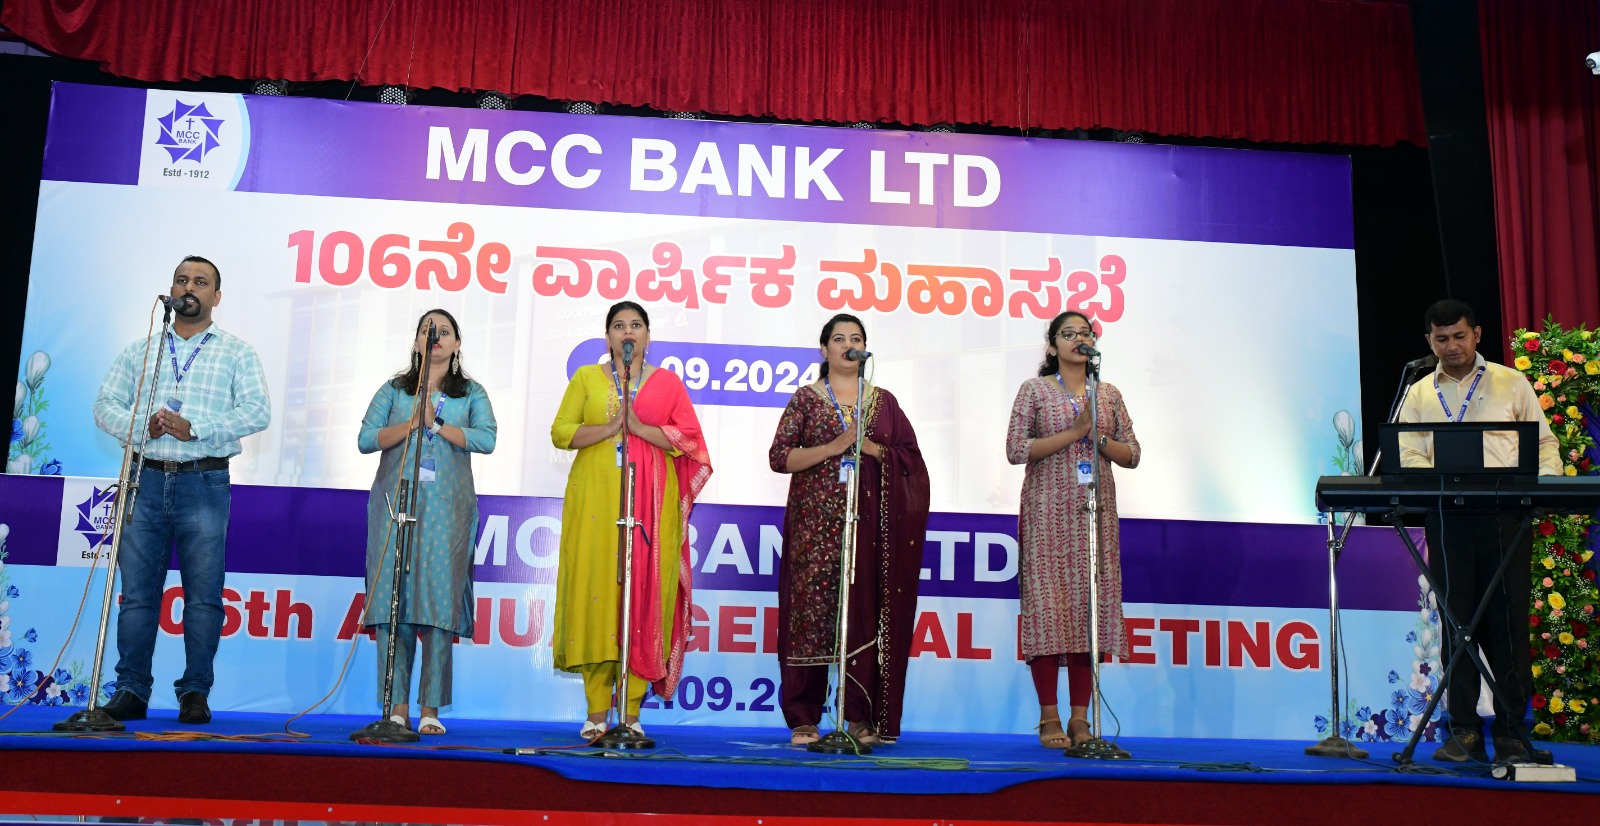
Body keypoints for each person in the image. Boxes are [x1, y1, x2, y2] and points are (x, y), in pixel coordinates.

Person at [91, 255, 271, 724]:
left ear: (216, 296)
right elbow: (105, 404)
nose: (188, 287)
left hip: (204, 482)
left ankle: (195, 692)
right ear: (171, 290)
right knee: (137, 596)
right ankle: (131, 690)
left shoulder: (237, 352)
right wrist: (141, 427)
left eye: (200, 282)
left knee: (204, 597)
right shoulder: (143, 350)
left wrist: (198, 429)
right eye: (181, 280)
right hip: (144, 479)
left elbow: (257, 411)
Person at [1398, 299, 1559, 764]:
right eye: (1441, 339)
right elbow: (1408, 452)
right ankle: (1464, 730)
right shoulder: (1419, 393)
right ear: (1429, 341)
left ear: (1477, 335)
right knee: (1457, 624)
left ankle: (1510, 732)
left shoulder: (1511, 382)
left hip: (1505, 516)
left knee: (1508, 624)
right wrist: (1436, 481)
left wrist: (1545, 488)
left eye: (1460, 336)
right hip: (1448, 517)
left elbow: (1543, 443)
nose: (1452, 346)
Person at [768, 313, 931, 746]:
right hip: (814, 528)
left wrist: (873, 449)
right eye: (838, 339)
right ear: (824, 350)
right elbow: (780, 457)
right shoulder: (806, 399)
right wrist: (835, 446)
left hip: (869, 530)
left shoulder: (884, 402)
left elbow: (911, 461)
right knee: (810, 619)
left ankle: (859, 716)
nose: (847, 345)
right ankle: (804, 718)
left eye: (855, 338)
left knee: (863, 615)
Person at [551, 301, 711, 739]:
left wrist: (639, 429)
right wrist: (609, 428)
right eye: (619, 325)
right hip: (595, 500)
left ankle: (631, 712)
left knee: (643, 596)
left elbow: (690, 441)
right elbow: (561, 432)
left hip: (650, 502)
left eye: (636, 325)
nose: (628, 332)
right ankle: (596, 712)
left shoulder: (668, 383)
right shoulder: (586, 378)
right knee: (598, 596)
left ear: (647, 336)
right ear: (608, 337)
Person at [358, 309, 497, 735]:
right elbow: (366, 439)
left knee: (438, 608)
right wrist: (411, 423)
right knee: (393, 606)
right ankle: (396, 708)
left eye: (443, 331)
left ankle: (430, 709)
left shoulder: (470, 393)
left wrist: (436, 425)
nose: (434, 336)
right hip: (394, 507)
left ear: (456, 344)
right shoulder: (395, 390)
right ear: (416, 341)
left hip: (446, 512)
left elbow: (487, 438)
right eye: (426, 330)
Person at [1005, 311, 1140, 749]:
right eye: (1069, 333)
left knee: (1089, 612)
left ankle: (1080, 719)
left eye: (1086, 333)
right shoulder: (1034, 390)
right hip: (1047, 514)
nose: (1079, 339)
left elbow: (1133, 454)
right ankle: (1049, 716)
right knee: (1047, 612)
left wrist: (1097, 438)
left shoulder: (1109, 394)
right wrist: (1075, 431)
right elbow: (1016, 449)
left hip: (1093, 516)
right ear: (1052, 345)